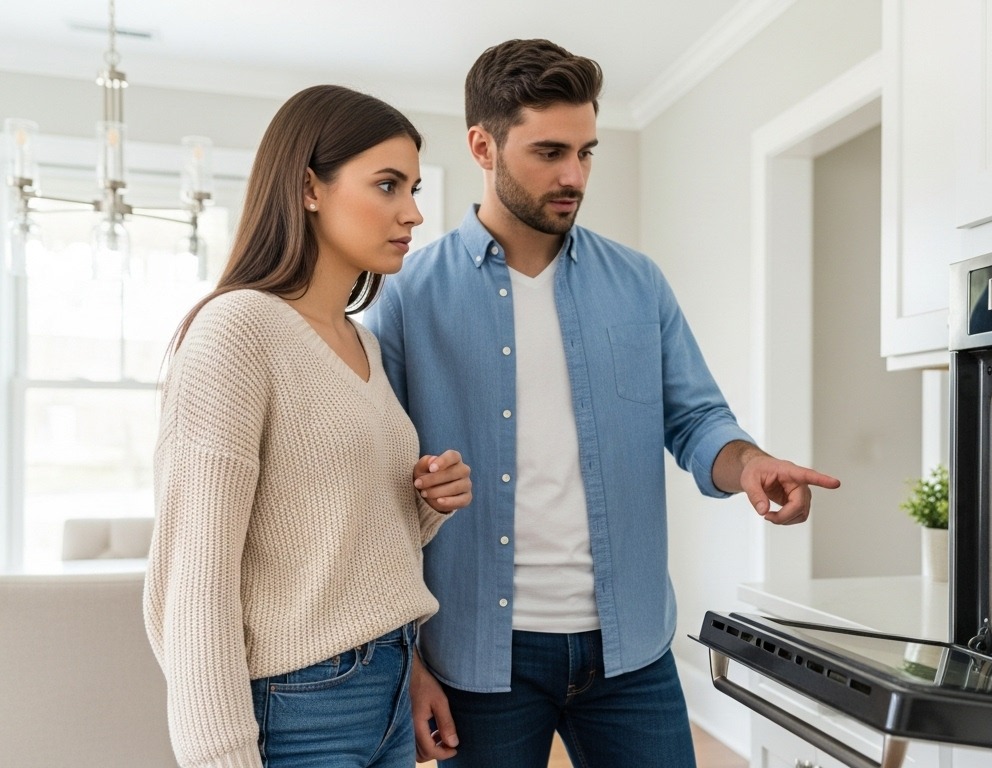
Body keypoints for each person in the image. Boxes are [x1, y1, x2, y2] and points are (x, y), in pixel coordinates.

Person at [363, 39, 840, 766]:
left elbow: (696, 419)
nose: (573, 175)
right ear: (482, 145)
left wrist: (748, 465)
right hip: (478, 657)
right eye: (549, 151)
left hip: (631, 649)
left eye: (587, 152)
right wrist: (411, 662)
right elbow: (376, 497)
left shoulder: (638, 283)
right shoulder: (404, 298)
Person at [143, 84, 473, 768]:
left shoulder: (362, 343)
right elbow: (197, 583)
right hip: (300, 706)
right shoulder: (237, 330)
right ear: (308, 188)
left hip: (385, 684)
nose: (412, 212)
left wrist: (423, 503)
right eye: (387, 185)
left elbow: (323, 538)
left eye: (412, 187)